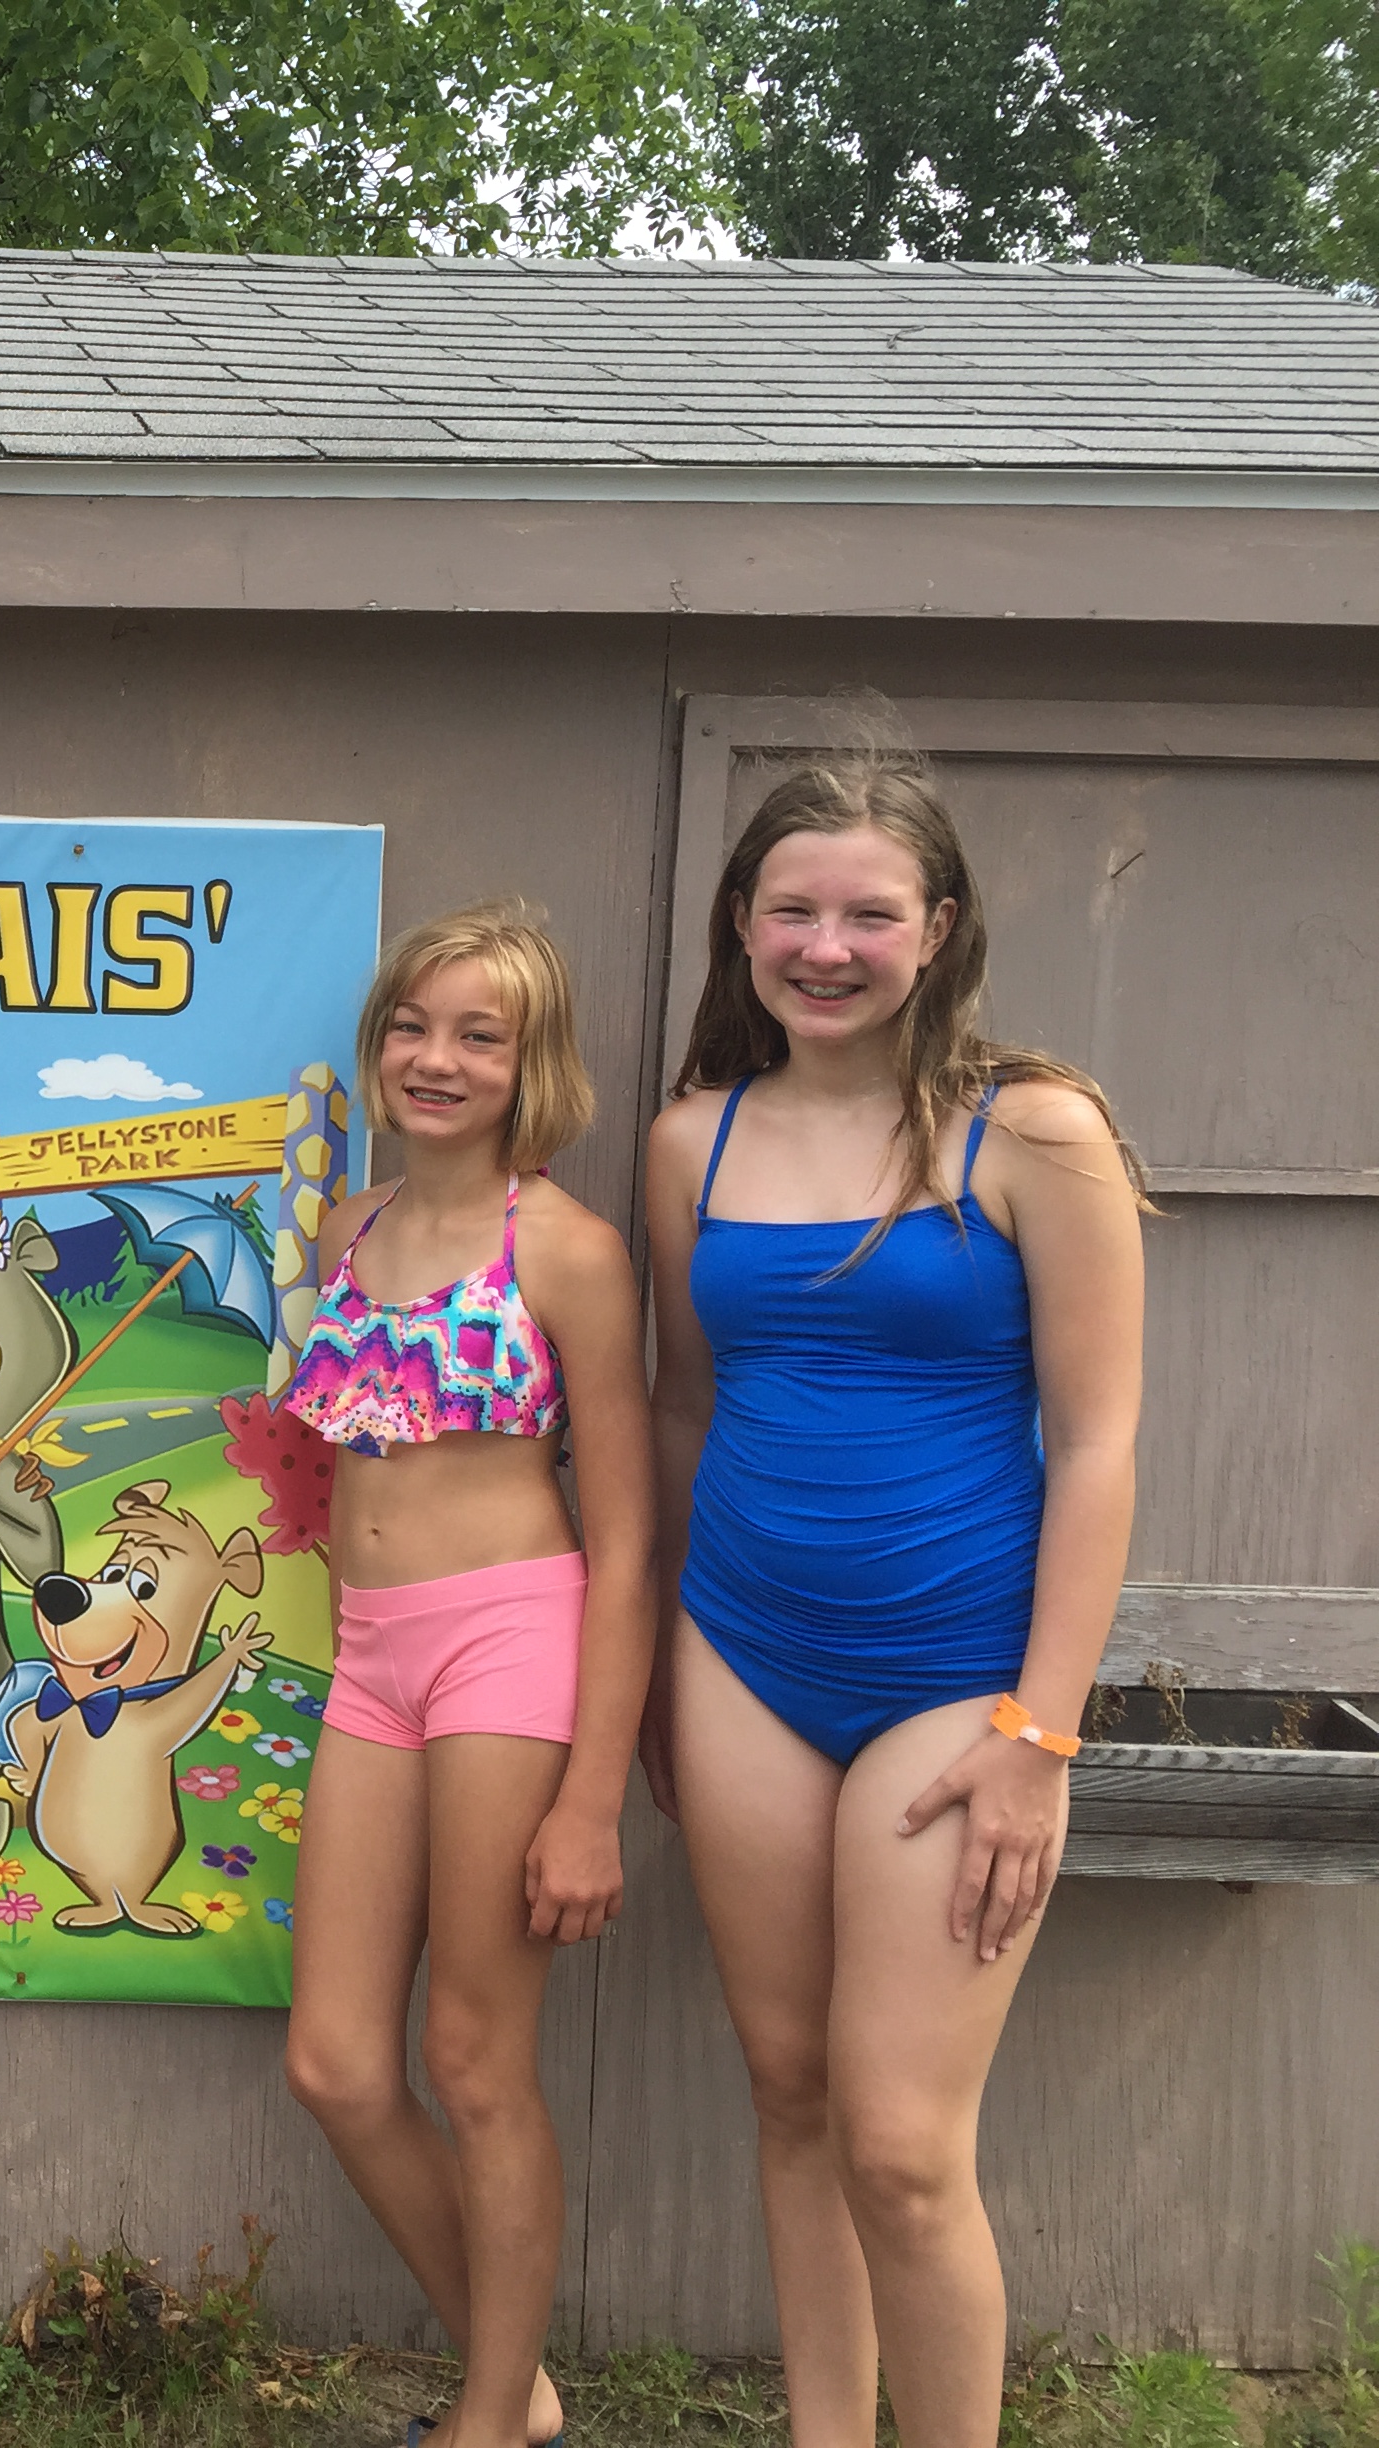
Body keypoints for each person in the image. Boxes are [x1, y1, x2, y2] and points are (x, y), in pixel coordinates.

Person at [645, 757, 1144, 2448]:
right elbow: (680, 1408)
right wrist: (658, 1678)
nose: (827, 945)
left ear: (936, 929)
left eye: (868, 912)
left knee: (902, 2148)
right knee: (790, 2095)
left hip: (959, 1683)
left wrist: (1038, 1738)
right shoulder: (690, 1142)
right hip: (737, 1658)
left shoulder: (1035, 1134)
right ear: (740, 924)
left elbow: (1097, 1444)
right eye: (793, 908)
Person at [277, 902, 655, 2448]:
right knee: (336, 2063)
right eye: (413, 1026)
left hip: (511, 1641)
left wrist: (592, 1802)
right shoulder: (346, 1230)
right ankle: (521, 2386)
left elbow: (626, 1541)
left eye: (478, 1036)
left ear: (529, 1062)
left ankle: (491, 2418)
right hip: (372, 1656)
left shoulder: (566, 1252)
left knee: (474, 2059)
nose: (436, 1058)